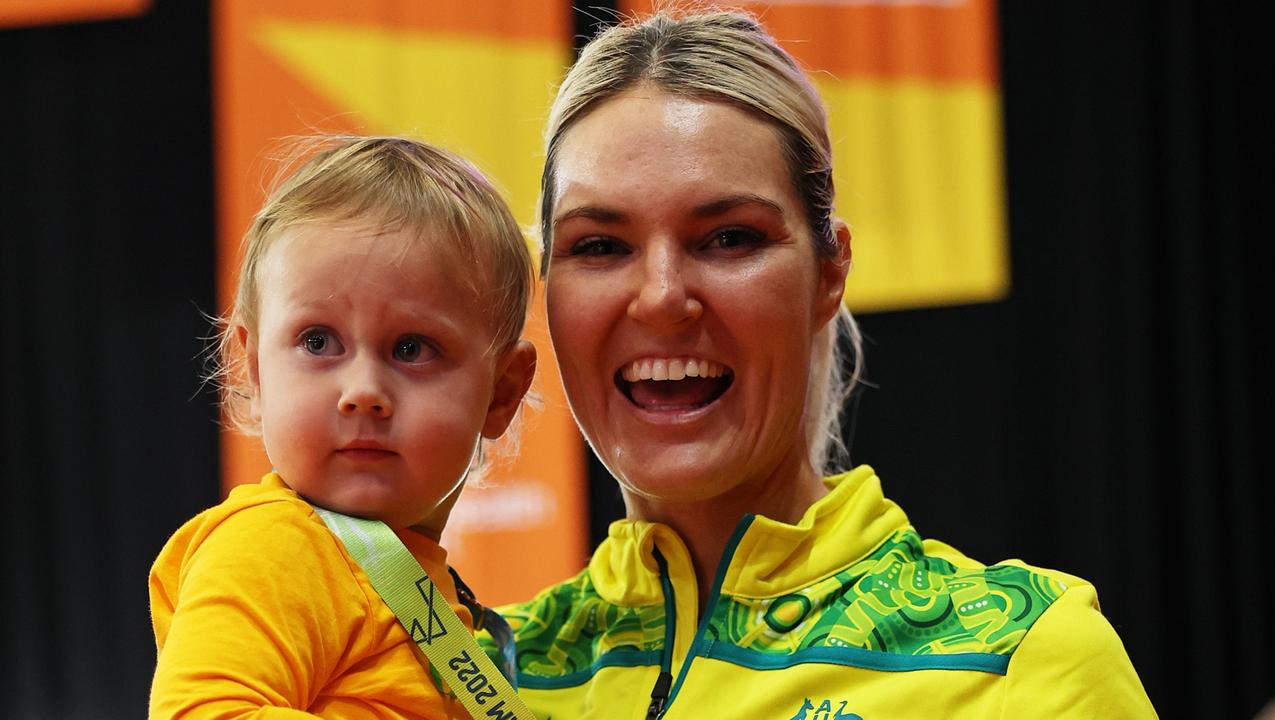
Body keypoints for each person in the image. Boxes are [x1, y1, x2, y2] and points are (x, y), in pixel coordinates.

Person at [482, 10, 1158, 719]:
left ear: (830, 270)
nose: (660, 297)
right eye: (599, 247)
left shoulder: (1024, 660)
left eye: (729, 238)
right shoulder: (477, 673)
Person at [149, 136, 537, 718]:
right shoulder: (277, 544)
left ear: (501, 392)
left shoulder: (404, 577)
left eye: (411, 348)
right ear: (254, 369)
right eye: (318, 342)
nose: (362, 392)